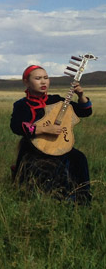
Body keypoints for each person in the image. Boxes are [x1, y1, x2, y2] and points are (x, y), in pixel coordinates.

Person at [10, 64, 92, 203]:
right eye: (38, 78)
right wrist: (43, 129)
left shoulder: (57, 100)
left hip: (58, 145)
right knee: (53, 165)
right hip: (33, 149)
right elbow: (16, 126)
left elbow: (85, 111)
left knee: (78, 157)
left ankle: (82, 197)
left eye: (46, 78)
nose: (43, 82)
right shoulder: (21, 105)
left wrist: (81, 95)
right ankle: (57, 198)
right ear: (26, 82)